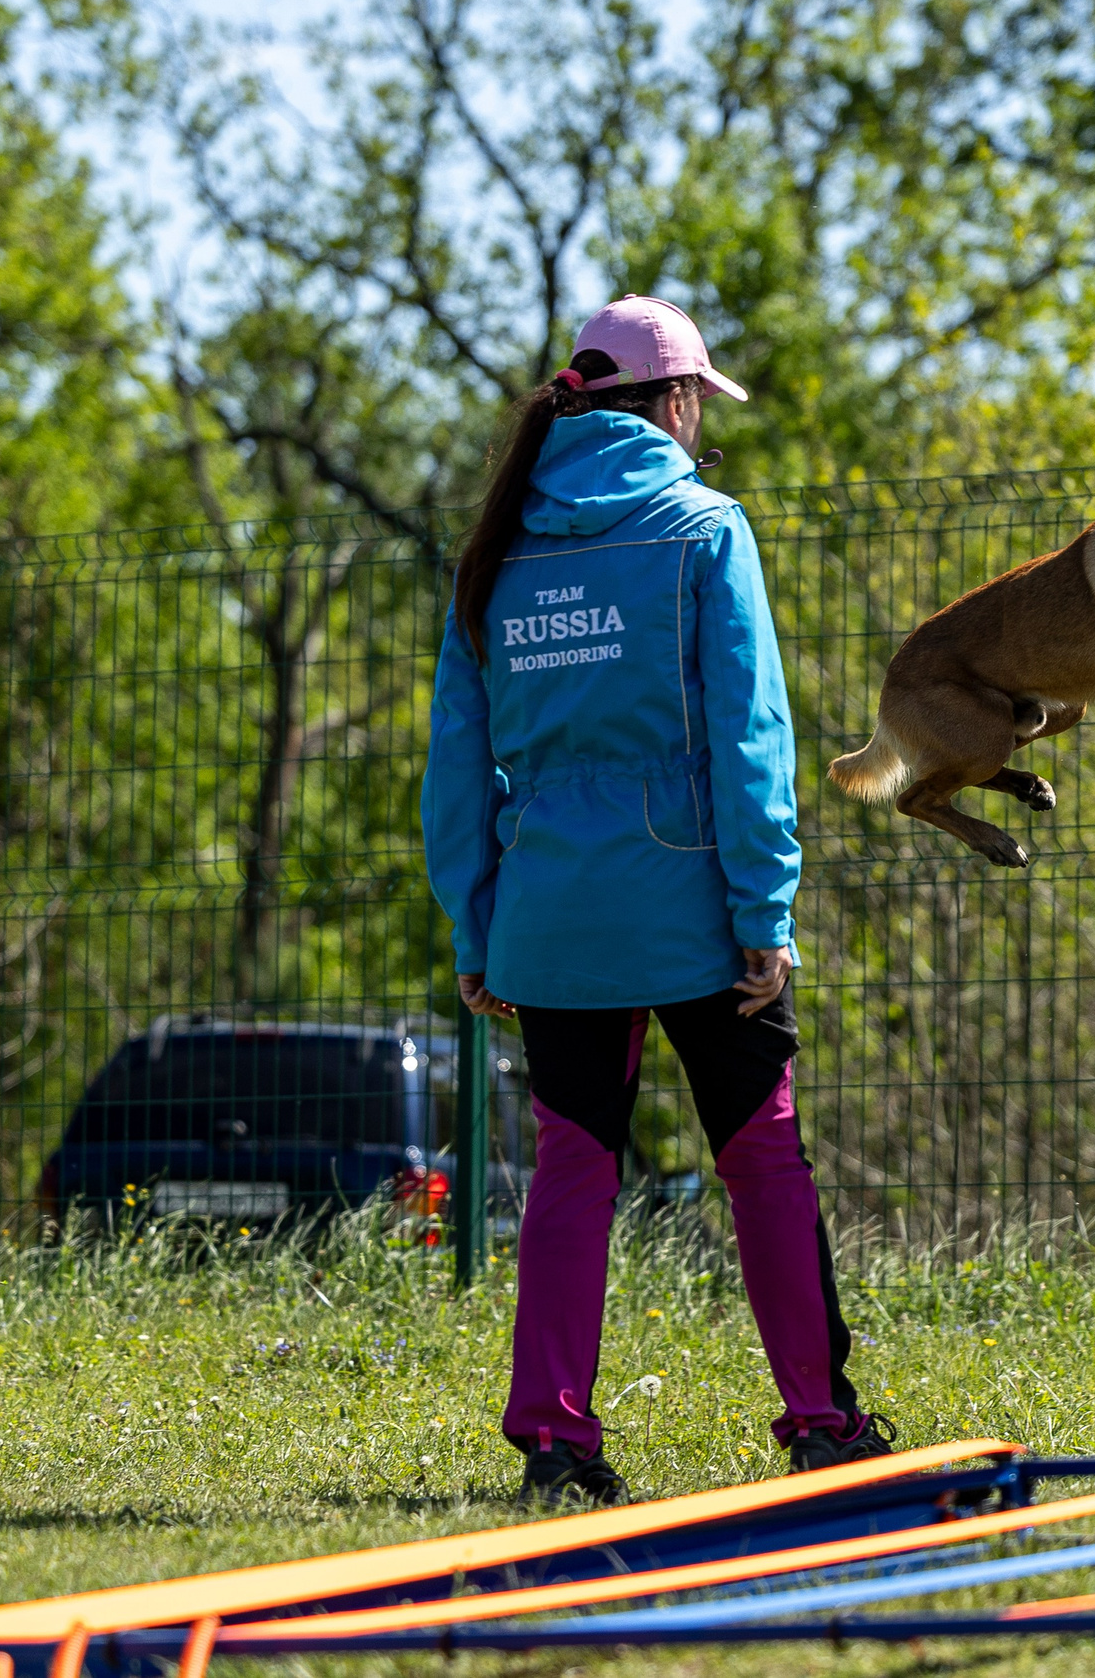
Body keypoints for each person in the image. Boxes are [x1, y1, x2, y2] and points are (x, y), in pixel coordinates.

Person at [423, 295, 892, 1504]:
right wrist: (765, 910)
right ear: (675, 403)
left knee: (574, 1167)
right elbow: (749, 737)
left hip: (548, 910)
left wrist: (477, 928)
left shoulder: (494, 552)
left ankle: (555, 1440)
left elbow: (454, 768)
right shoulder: (703, 528)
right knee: (762, 1156)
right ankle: (820, 1419)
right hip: (691, 898)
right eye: (700, 406)